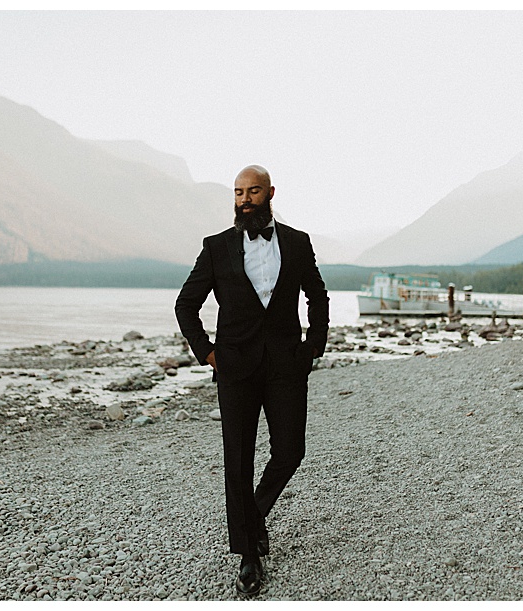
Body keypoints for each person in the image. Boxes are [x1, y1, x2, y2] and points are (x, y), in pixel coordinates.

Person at [175, 165, 328, 594]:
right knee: (238, 462)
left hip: (285, 366)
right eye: (239, 192)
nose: (244, 200)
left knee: (291, 451)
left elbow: (317, 294)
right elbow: (185, 304)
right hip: (235, 369)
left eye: (253, 191)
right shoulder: (217, 247)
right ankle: (249, 555)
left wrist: (314, 345)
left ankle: (252, 519)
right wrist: (207, 353)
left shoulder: (297, 243)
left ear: (270, 193)